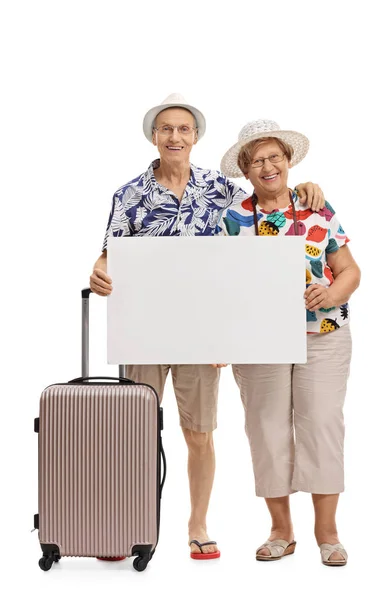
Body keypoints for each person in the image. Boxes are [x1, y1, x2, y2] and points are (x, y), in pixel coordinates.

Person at [90, 95, 325, 560]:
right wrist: (98, 269)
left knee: (199, 433)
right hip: (143, 328)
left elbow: (267, 208)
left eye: (183, 129)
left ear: (195, 136)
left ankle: (197, 523)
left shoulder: (219, 188)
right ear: (153, 137)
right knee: (135, 429)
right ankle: (129, 522)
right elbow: (108, 252)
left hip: (201, 331)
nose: (174, 137)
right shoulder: (129, 193)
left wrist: (307, 189)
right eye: (165, 129)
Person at [217, 119, 361, 566]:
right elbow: (220, 284)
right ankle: (281, 531)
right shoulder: (233, 218)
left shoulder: (317, 205)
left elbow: (351, 270)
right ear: (245, 170)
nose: (267, 165)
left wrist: (333, 292)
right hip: (259, 340)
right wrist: (220, 336)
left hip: (324, 334)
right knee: (266, 429)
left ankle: (328, 533)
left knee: (321, 425)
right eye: (256, 160)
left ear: (288, 160)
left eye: (274, 156)